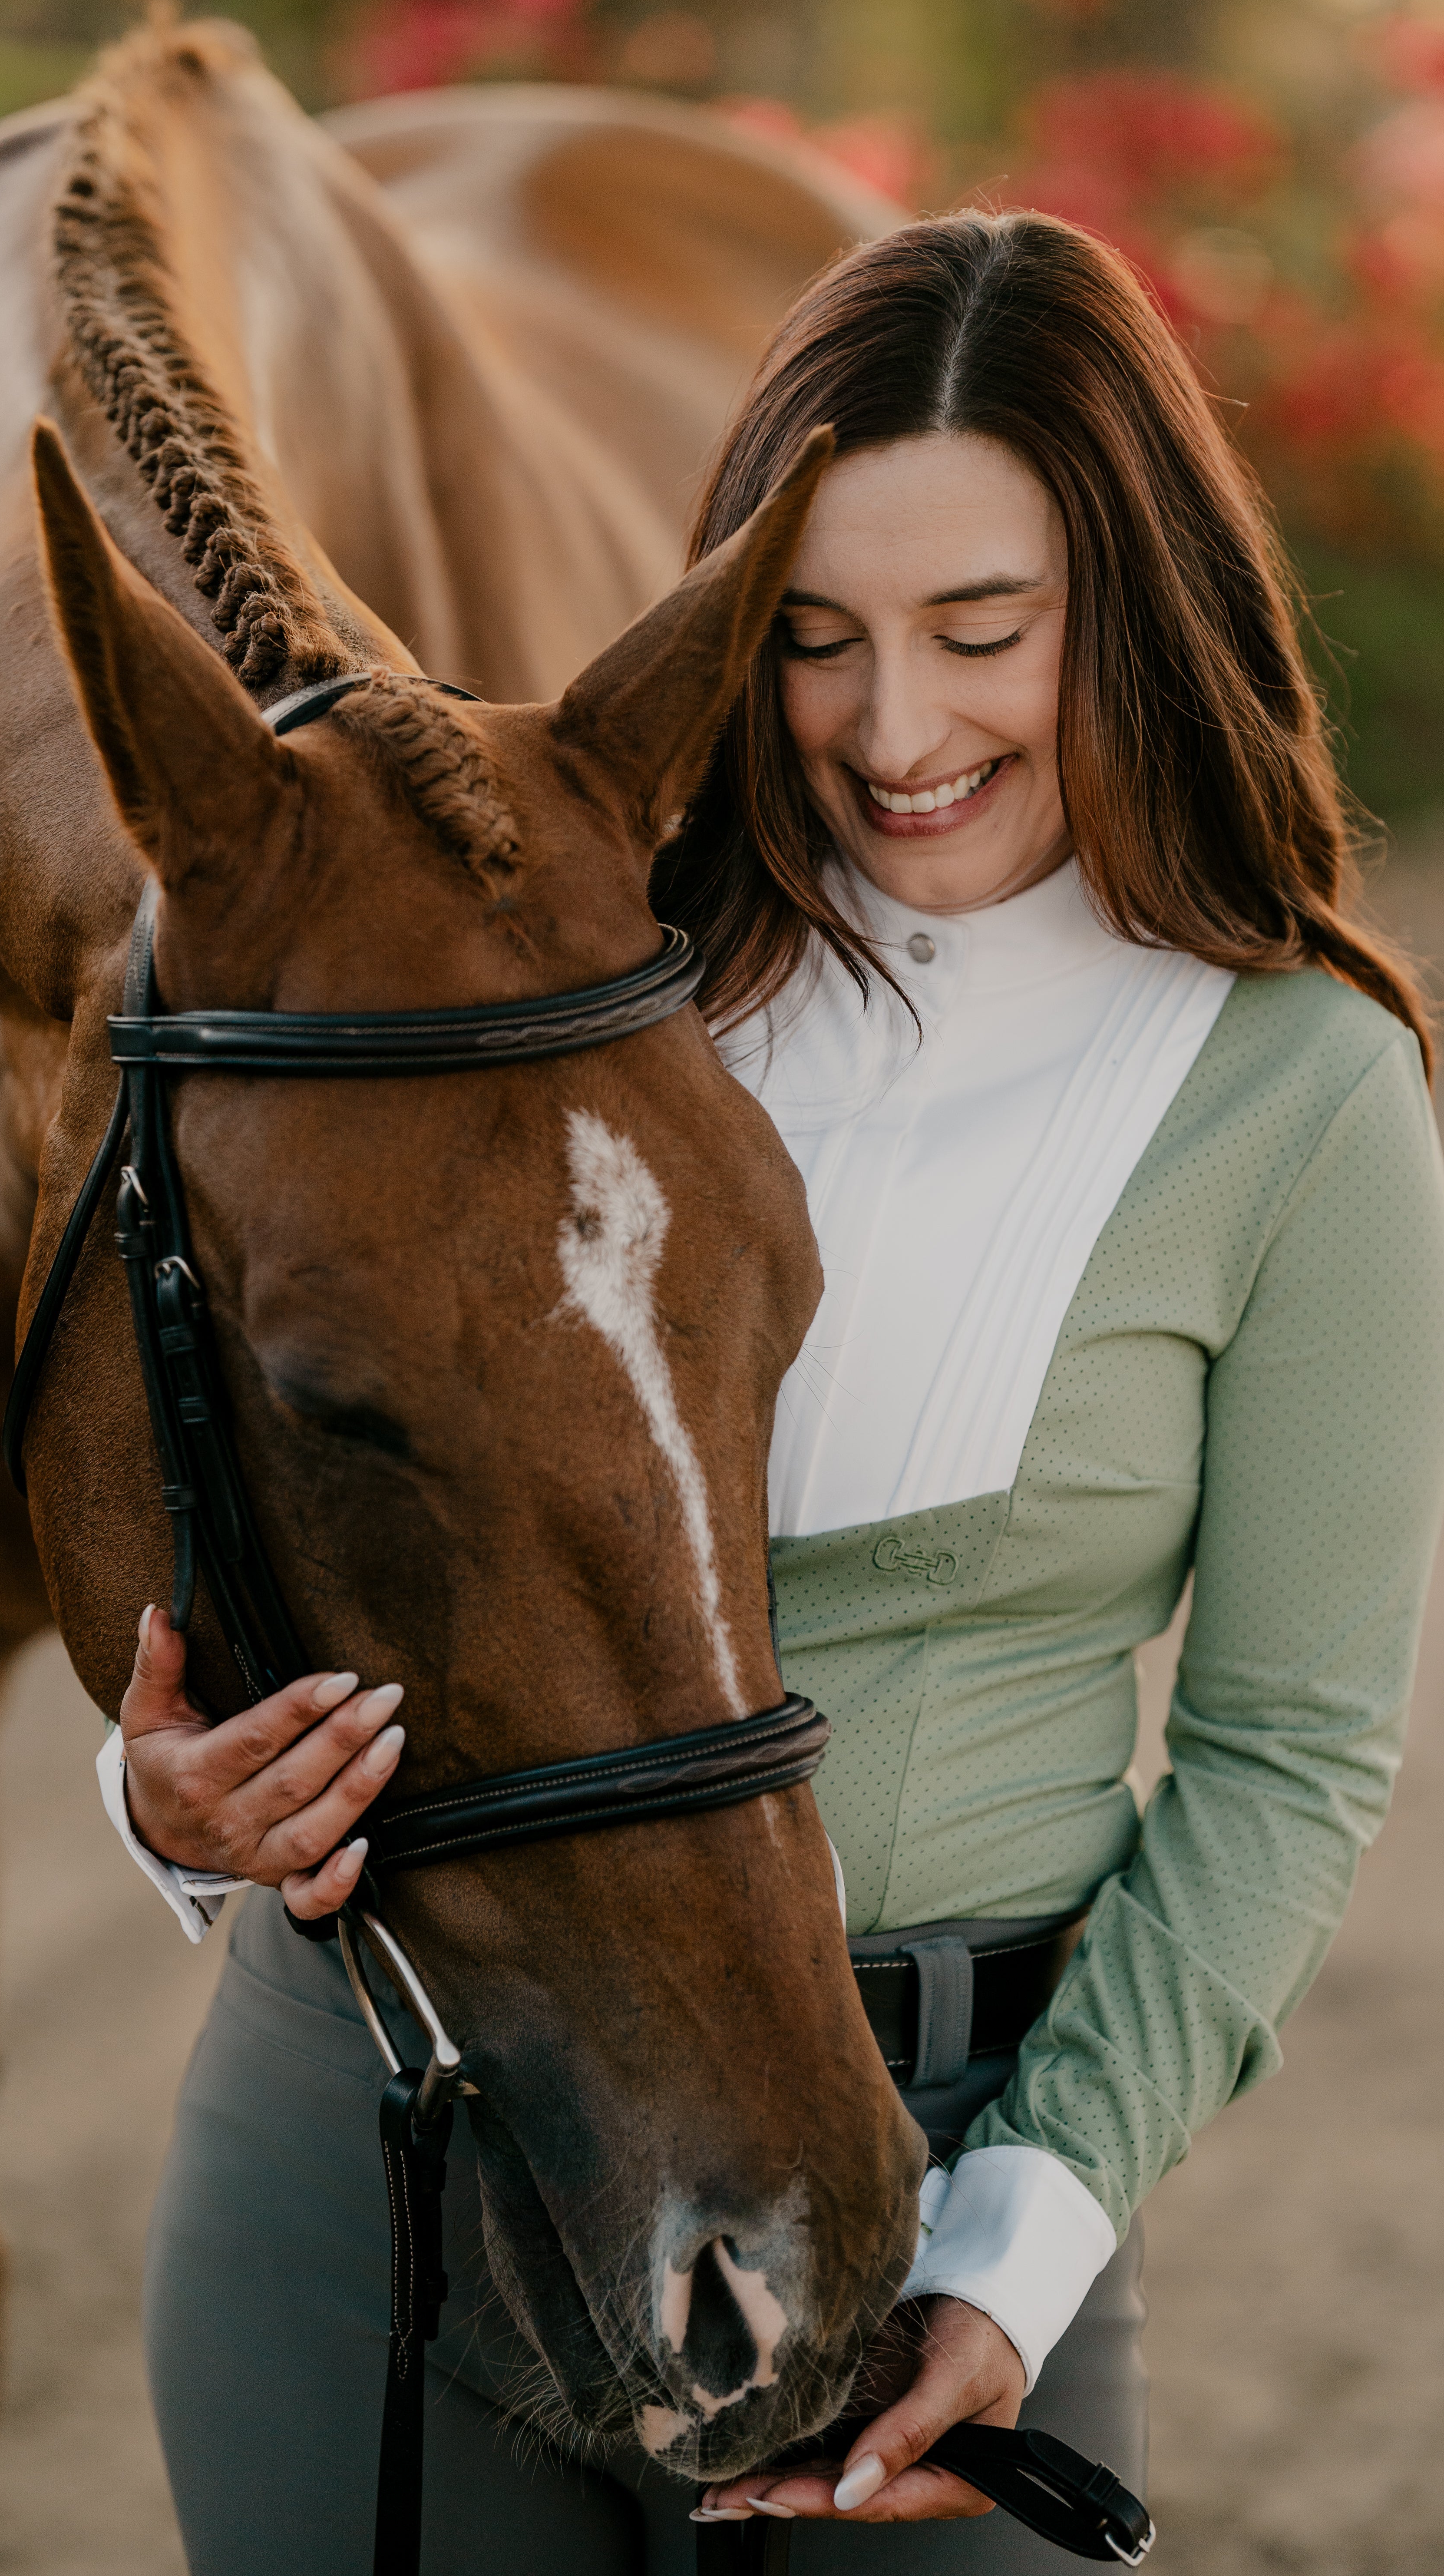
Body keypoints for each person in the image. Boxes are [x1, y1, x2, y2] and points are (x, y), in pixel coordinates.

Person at [102, 211, 1444, 2569]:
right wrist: (159, 1795)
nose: (896, 732)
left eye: (983, 634)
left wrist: (1022, 2246)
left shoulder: (1306, 1098)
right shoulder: (547, 985)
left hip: (933, 2180)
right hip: (388, 2126)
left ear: (1133, 611)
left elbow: (1283, 1757)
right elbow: (250, 1476)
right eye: (814, 642)